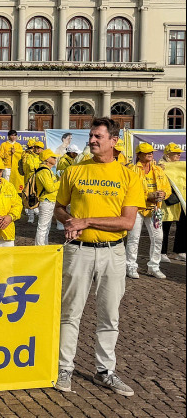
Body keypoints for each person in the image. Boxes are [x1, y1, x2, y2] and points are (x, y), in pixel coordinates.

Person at [53, 117, 146, 397]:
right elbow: (59, 208)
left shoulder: (129, 175)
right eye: (91, 136)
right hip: (78, 252)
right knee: (70, 314)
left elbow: (127, 222)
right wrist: (69, 221)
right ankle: (64, 368)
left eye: (98, 137)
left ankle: (105, 371)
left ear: (114, 141)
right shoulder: (74, 171)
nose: (92, 140)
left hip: (113, 252)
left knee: (109, 315)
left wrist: (86, 221)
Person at [125, 142, 171, 279]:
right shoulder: (132, 170)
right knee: (133, 238)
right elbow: (129, 190)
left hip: (155, 209)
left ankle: (154, 267)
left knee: (158, 238)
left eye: (151, 152)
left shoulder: (158, 170)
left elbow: (167, 188)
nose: (150, 154)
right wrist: (148, 196)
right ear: (138, 155)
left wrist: (164, 195)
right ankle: (131, 266)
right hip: (137, 208)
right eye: (146, 152)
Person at [159, 143, 184, 261]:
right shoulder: (161, 166)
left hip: (180, 200)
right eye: (176, 153)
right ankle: (162, 252)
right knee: (165, 226)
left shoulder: (179, 167)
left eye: (180, 153)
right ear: (168, 154)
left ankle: (180, 251)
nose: (179, 155)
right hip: (167, 200)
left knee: (183, 225)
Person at [33, 149, 60, 246]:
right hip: (46, 201)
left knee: (46, 227)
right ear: (47, 159)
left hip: (49, 200)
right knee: (43, 227)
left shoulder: (47, 170)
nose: (55, 158)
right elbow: (50, 188)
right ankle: (40, 248)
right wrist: (61, 181)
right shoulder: (44, 171)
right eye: (53, 157)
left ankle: (43, 246)